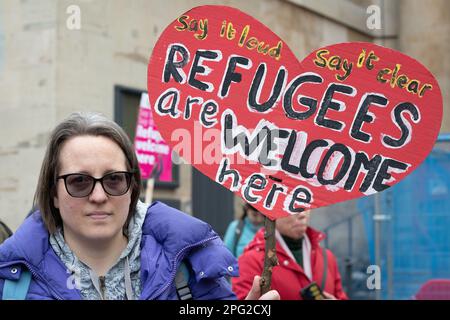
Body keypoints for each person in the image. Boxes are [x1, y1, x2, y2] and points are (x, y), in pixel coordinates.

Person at [0, 112, 279, 300]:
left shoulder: (191, 270)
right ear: (54, 195)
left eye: (114, 179)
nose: (98, 196)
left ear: (132, 188)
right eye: (79, 181)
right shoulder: (11, 283)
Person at [232, 210, 348, 300]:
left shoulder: (327, 256)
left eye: (306, 204)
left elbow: (341, 295)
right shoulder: (250, 261)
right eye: (293, 207)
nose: (302, 214)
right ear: (272, 212)